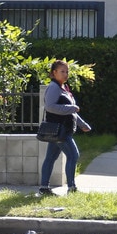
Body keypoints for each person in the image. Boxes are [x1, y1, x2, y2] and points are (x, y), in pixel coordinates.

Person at [39, 60, 92, 194]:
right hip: (60, 130)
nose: (65, 74)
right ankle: (71, 188)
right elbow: (50, 107)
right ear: (53, 73)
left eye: (67, 71)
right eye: (62, 71)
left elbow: (71, 112)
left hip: (61, 130)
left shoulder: (62, 88)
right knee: (73, 155)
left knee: (50, 158)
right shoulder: (54, 87)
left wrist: (82, 124)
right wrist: (71, 107)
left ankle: (44, 188)